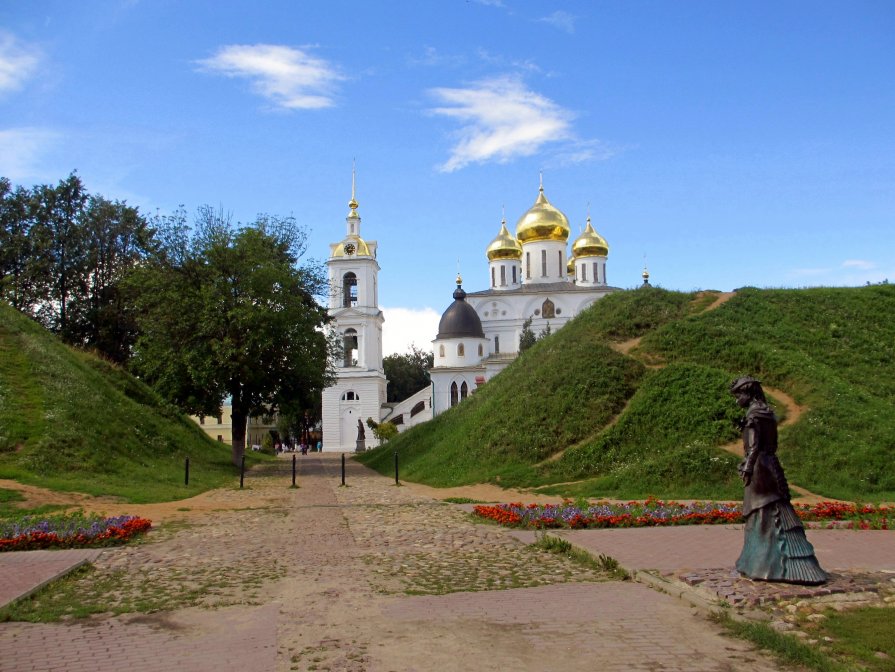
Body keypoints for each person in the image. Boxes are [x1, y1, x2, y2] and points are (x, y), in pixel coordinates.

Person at [730, 377, 828, 584]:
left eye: (739, 395)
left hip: (758, 466)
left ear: (749, 393)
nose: (737, 399)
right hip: (770, 463)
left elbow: (754, 446)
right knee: (771, 509)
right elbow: (769, 442)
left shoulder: (754, 414)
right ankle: (766, 561)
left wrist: (747, 466)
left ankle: (763, 563)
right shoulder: (767, 412)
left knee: (760, 511)